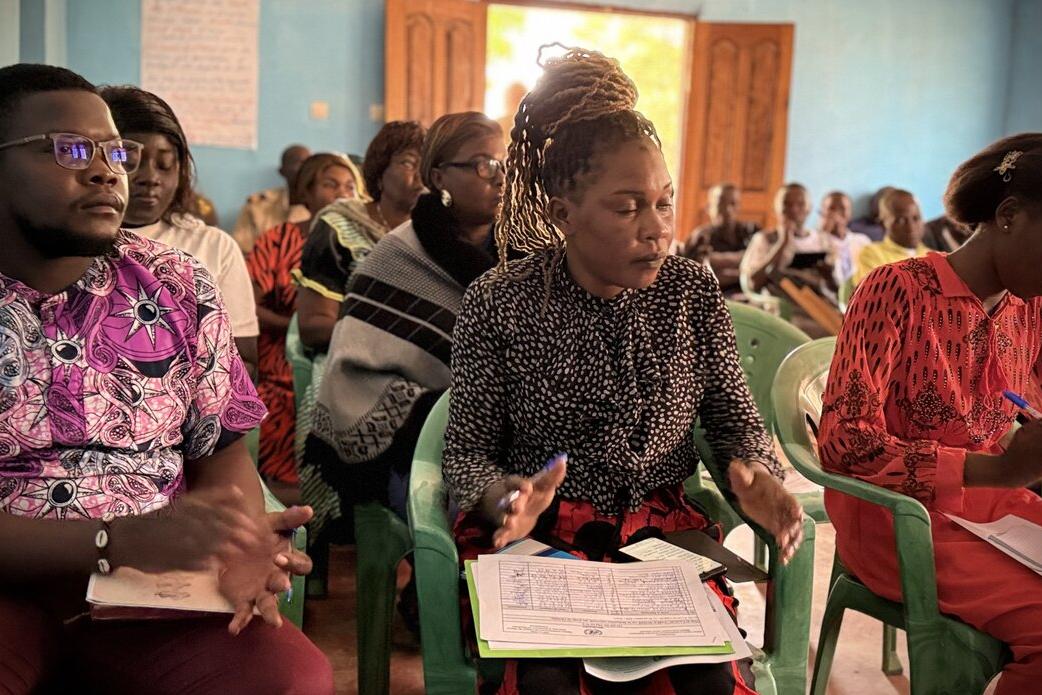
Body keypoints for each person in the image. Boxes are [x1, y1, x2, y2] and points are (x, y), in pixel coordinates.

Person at [443, 48, 803, 695]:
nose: (657, 229)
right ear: (563, 213)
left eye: (664, 203)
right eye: (628, 206)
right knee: (546, 684)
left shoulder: (691, 292)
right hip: (539, 539)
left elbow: (735, 421)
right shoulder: (499, 300)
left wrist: (753, 471)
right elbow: (466, 451)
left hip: (661, 535)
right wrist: (506, 496)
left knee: (710, 685)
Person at [0, 63, 332, 694]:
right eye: (70, 150)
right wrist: (112, 540)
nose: (105, 170)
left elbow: (223, 451)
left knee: (287, 678)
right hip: (12, 590)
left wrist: (238, 540)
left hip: (151, 595)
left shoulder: (174, 283)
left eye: (112, 152)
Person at [817, 133, 1042, 695]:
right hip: (900, 523)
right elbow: (845, 443)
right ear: (1010, 215)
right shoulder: (897, 289)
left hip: (995, 514)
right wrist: (996, 470)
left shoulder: (1026, 307)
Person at [100, 85, 260, 379]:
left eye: (165, 164)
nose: (150, 178)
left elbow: (243, 364)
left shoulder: (212, 247)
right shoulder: (74, 243)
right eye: (128, 161)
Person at [246, 153, 357, 485]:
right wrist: (295, 328)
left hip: (342, 355)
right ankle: (280, 498)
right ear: (306, 194)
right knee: (279, 400)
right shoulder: (277, 240)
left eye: (350, 187)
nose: (341, 194)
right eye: (330, 185)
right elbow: (249, 307)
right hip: (280, 357)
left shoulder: (358, 246)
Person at [294, 121, 426, 352]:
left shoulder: (437, 233)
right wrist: (393, 334)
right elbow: (313, 328)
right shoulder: (338, 227)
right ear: (379, 171)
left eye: (427, 166)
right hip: (351, 361)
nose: (420, 176)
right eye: (408, 163)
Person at [739, 182, 836, 297]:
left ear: (809, 208)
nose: (794, 210)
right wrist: (783, 242)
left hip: (816, 302)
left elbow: (834, 288)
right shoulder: (764, 239)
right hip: (781, 302)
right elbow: (753, 283)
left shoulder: (823, 240)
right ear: (776, 208)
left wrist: (828, 274)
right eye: (787, 204)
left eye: (800, 204)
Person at [232, 143, 312, 254]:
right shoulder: (257, 206)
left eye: (309, 162)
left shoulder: (321, 206)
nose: (304, 168)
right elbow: (242, 251)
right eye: (297, 161)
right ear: (282, 171)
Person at [681, 183, 759, 294]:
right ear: (709, 207)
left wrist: (717, 260)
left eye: (733, 203)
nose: (727, 210)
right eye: (720, 204)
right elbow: (700, 275)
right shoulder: (701, 236)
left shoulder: (750, 230)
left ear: (739, 207)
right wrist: (744, 270)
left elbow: (761, 264)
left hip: (749, 294)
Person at [852, 188, 929, 286]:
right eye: (900, 220)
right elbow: (877, 296)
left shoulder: (932, 255)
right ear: (883, 224)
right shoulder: (871, 254)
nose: (911, 227)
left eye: (916, 218)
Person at [819, 190, 871, 287]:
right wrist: (824, 231)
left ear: (850, 214)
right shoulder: (816, 240)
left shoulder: (862, 240)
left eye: (842, 209)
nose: (837, 213)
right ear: (822, 212)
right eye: (831, 209)